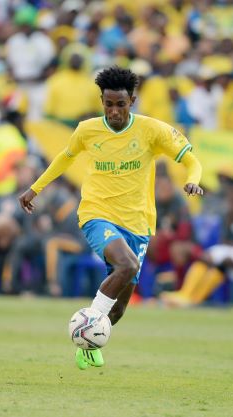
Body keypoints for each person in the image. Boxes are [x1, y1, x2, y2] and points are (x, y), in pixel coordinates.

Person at [18, 66, 203, 370]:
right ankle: (87, 322)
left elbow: (190, 159)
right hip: (96, 213)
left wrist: (193, 179)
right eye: (108, 104)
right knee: (126, 264)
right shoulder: (87, 130)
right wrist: (35, 188)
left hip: (138, 224)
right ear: (101, 101)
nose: (114, 111)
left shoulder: (152, 130)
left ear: (133, 100)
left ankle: (87, 344)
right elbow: (65, 157)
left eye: (121, 104)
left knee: (117, 311)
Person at [162, 178, 233, 307]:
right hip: (231, 248)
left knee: (225, 261)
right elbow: (223, 239)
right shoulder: (228, 212)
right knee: (205, 257)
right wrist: (230, 219)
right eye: (229, 194)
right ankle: (185, 294)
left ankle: (194, 299)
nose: (231, 197)